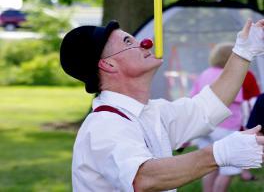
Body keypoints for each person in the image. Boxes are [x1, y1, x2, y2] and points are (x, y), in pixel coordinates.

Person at [60, 19, 264, 192]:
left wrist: (243, 51)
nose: (145, 43)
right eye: (128, 41)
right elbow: (143, 177)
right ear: (108, 64)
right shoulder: (104, 124)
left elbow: (207, 107)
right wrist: (219, 154)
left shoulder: (153, 112)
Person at [190, 43, 244, 192]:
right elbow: (236, 99)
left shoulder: (205, 73)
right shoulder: (232, 75)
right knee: (229, 169)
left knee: (210, 165)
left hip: (205, 125)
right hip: (225, 127)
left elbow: (193, 96)